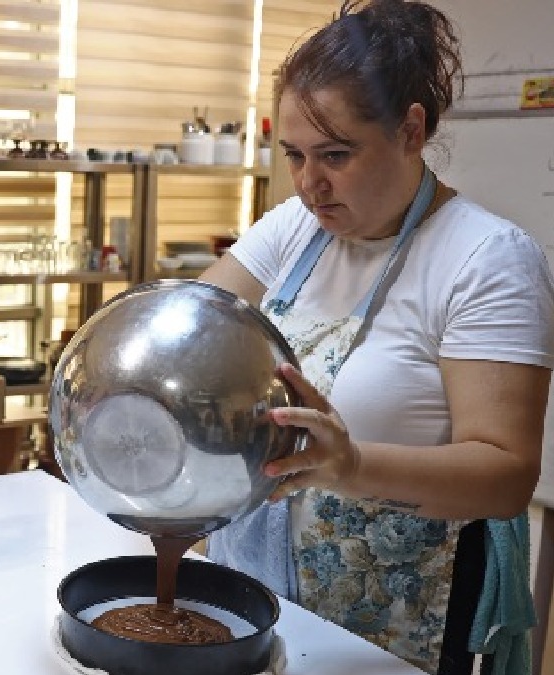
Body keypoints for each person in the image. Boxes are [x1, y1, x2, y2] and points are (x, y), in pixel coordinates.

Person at [202, 2, 554, 674]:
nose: (310, 184)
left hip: (386, 632)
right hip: (258, 606)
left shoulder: (486, 259)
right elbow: (193, 327)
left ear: (410, 129)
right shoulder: (293, 230)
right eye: (295, 156)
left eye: (336, 154)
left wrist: (353, 466)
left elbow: (507, 475)